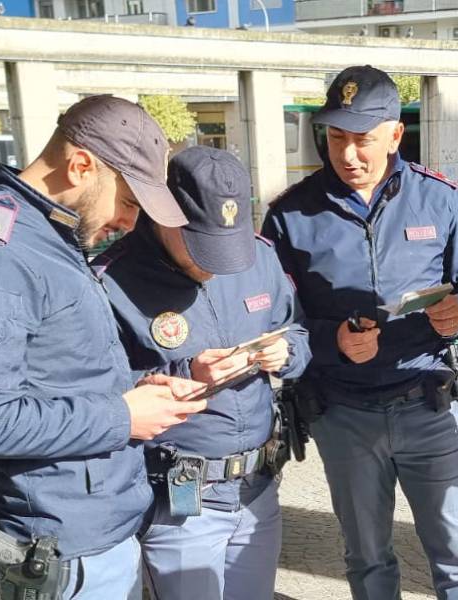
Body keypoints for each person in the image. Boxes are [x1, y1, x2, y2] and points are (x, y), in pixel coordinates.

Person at [0, 94, 206, 599]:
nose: (132, 224)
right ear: (81, 165)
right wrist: (122, 416)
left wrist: (138, 391)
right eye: (129, 201)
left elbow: (57, 373)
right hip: (64, 548)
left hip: (94, 531)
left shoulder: (52, 235)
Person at [262, 65, 458, 600]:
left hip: (429, 405)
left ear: (395, 134)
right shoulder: (289, 216)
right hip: (342, 415)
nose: (348, 155)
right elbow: (275, 322)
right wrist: (332, 341)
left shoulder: (440, 200)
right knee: (367, 560)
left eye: (363, 140)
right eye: (336, 137)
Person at [93, 145, 311, 600]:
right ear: (163, 214)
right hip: (180, 501)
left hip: (257, 489)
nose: (215, 264)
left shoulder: (260, 257)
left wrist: (286, 352)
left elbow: (300, 331)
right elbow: (92, 391)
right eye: (201, 247)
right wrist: (182, 370)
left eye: (226, 247)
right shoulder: (109, 280)